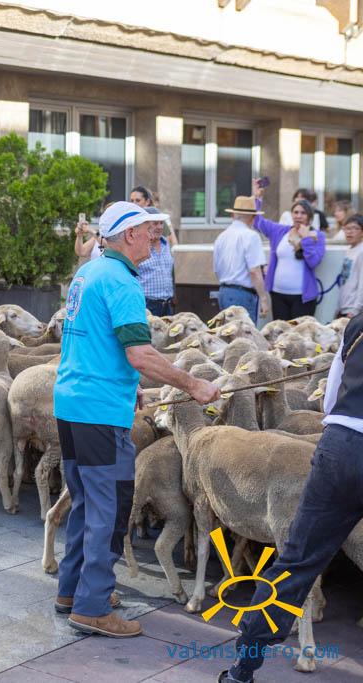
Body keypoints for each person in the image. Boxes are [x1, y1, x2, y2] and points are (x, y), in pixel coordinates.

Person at [53, 201, 219, 638]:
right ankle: (92, 607)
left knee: (86, 502)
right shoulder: (123, 282)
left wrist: (129, 385)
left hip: (71, 403)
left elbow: (92, 341)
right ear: (129, 235)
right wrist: (194, 385)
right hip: (99, 410)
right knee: (109, 507)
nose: (155, 238)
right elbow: (141, 354)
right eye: (150, 231)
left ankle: (72, 590)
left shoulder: (88, 272)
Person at [217, 315, 363, 683]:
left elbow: (331, 399)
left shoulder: (358, 325)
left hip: (341, 447)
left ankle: (242, 669)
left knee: (296, 563)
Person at [252, 179, 326, 320]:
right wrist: (257, 198)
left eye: (303, 213)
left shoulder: (317, 236)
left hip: (303, 298)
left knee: (300, 333)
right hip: (278, 294)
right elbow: (257, 222)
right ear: (291, 215)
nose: (298, 216)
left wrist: (306, 239)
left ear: (310, 217)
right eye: (295, 212)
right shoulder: (280, 231)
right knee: (281, 333)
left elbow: (313, 262)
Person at [213, 196, 269, 325]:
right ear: (253, 218)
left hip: (224, 291)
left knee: (227, 333)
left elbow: (216, 270)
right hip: (243, 294)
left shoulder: (221, 237)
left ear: (232, 215)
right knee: (244, 335)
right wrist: (263, 298)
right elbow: (254, 271)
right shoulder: (251, 236)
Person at [137, 207, 175, 316]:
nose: (159, 227)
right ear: (145, 226)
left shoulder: (166, 244)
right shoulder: (139, 247)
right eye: (155, 223)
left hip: (167, 304)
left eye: (161, 223)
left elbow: (171, 273)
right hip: (147, 304)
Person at [336, 214, 363, 318]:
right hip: (343, 307)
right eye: (347, 228)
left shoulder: (361, 252)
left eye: (355, 228)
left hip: (353, 310)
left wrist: (355, 309)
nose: (349, 232)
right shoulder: (348, 250)